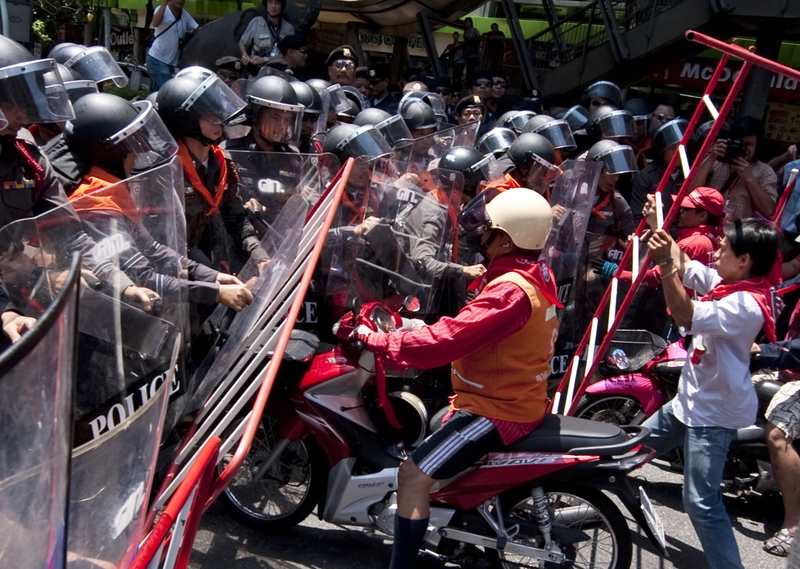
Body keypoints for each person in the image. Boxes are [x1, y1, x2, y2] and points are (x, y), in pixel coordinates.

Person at [352, 188, 559, 569]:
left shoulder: (509, 291)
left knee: (411, 475)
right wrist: (414, 327)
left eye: (490, 231)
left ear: (506, 240)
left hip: (495, 411)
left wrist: (380, 341)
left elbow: (448, 341)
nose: (482, 236)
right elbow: (473, 329)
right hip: (510, 398)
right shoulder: (532, 275)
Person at [643, 207, 779, 569]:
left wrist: (665, 264)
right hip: (689, 401)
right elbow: (688, 265)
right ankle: (586, 503)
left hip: (712, 414)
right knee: (629, 451)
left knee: (701, 501)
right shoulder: (731, 284)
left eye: (724, 248)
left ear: (744, 260)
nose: (715, 250)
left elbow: (685, 314)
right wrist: (659, 226)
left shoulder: (745, 304)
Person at [0, 36, 157, 343]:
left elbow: (70, 235)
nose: (22, 116)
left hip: (20, 301)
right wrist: (6, 310)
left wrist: (122, 285)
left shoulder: (28, 160)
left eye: (23, 104)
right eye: (10, 105)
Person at [64, 93, 253, 313]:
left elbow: (154, 250)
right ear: (110, 152)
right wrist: (215, 292)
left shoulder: (109, 193)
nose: (138, 155)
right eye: (131, 147)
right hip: (105, 316)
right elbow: (141, 277)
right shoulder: (94, 206)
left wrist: (214, 277)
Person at [156, 73, 268, 273]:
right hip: (176, 270)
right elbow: (173, 239)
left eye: (218, 112)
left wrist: (259, 256)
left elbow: (235, 217)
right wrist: (217, 279)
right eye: (208, 114)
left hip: (208, 265)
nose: (218, 120)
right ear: (186, 120)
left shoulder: (221, 162)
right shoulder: (166, 170)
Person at [750, 340, 800, 557]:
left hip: (795, 374)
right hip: (788, 369)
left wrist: (765, 349)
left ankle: (793, 526)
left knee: (777, 434)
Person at [693, 115, 778, 221]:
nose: (742, 148)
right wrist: (711, 157)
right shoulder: (715, 162)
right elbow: (690, 193)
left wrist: (750, 178)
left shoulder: (765, 171)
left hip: (740, 230)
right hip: (707, 227)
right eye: (738, 142)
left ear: (757, 146)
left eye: (748, 144)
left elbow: (768, 211)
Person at [146, 0, 198, 91]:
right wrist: (164, 4)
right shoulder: (162, 9)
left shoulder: (184, 15)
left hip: (170, 63)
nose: (180, 0)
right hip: (157, 60)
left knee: (158, 93)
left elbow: (196, 29)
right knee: (171, 91)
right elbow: (155, 23)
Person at [238, 0, 295, 68]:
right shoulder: (256, 22)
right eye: (270, 2)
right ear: (266, 5)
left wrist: (264, 60)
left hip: (279, 69)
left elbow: (290, 54)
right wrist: (244, 54)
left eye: (277, 3)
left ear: (281, 6)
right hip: (256, 68)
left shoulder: (289, 29)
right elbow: (243, 42)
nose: (273, 6)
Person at [462, 17, 481, 83]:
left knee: (472, 69)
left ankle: (472, 81)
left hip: (474, 53)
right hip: (468, 53)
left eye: (469, 22)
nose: (467, 23)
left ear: (471, 23)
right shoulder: (465, 31)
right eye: (466, 22)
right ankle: (468, 81)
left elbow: (479, 38)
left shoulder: (474, 30)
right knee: (468, 69)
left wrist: (472, 40)